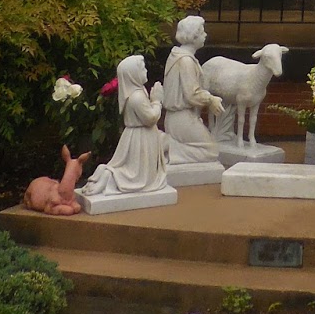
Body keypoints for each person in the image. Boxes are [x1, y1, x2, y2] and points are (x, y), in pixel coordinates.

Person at [79, 55, 168, 198]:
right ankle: (108, 176)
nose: (146, 71)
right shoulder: (137, 97)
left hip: (138, 136)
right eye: (142, 68)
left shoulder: (136, 93)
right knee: (136, 174)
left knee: (136, 170)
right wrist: (157, 101)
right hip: (141, 139)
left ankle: (106, 173)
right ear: (133, 75)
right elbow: (151, 118)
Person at [161, 15, 224, 163]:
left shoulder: (177, 55)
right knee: (210, 152)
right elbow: (192, 94)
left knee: (209, 150)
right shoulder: (185, 61)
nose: (205, 35)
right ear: (194, 36)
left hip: (181, 115)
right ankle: (165, 147)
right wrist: (211, 99)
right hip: (180, 116)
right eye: (202, 32)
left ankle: (169, 148)